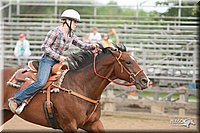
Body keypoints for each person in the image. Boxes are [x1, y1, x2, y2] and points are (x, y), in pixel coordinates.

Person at [8, 9, 99, 113]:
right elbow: (45, 47)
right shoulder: (54, 32)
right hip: (47, 60)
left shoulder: (71, 35)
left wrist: (92, 46)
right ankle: (16, 99)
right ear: (67, 21)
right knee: (41, 82)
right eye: (74, 21)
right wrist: (58, 57)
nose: (76, 24)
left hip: (58, 62)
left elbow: (82, 45)